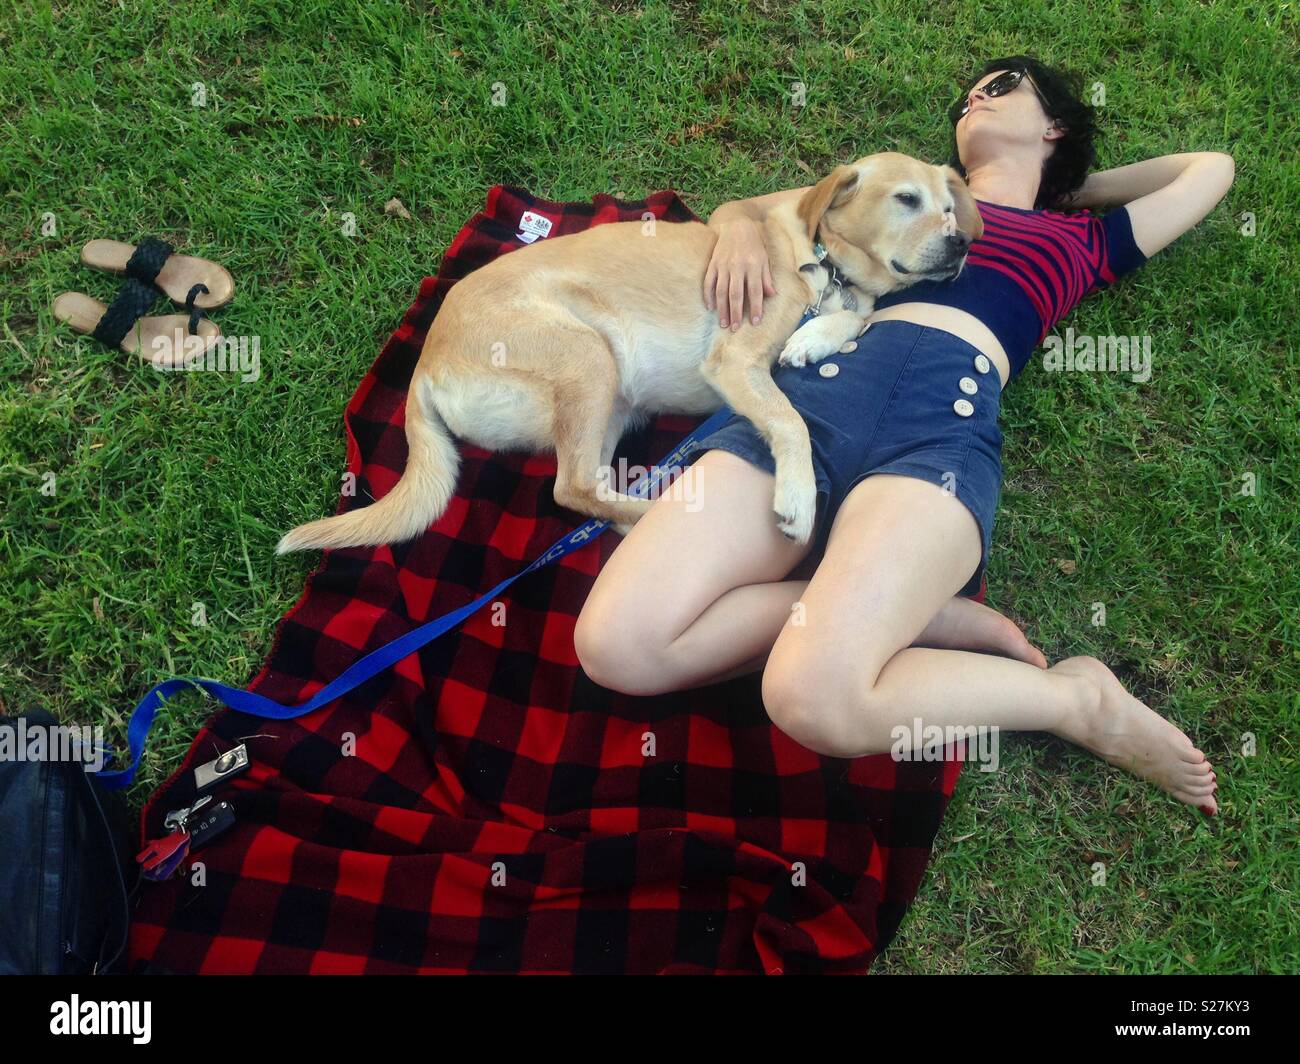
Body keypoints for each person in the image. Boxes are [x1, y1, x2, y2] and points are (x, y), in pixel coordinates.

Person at [574, 56, 1233, 814]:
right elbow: (747, 212)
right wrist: (735, 235)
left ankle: (1073, 701)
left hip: (935, 429)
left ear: (1053, 124)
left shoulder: (1080, 239)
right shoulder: (895, 189)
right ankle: (931, 616)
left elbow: (1209, 169)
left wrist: (1057, 187)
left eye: (1002, 86)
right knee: (617, 647)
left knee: (813, 697)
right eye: (968, 96)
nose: (975, 98)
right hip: (806, 395)